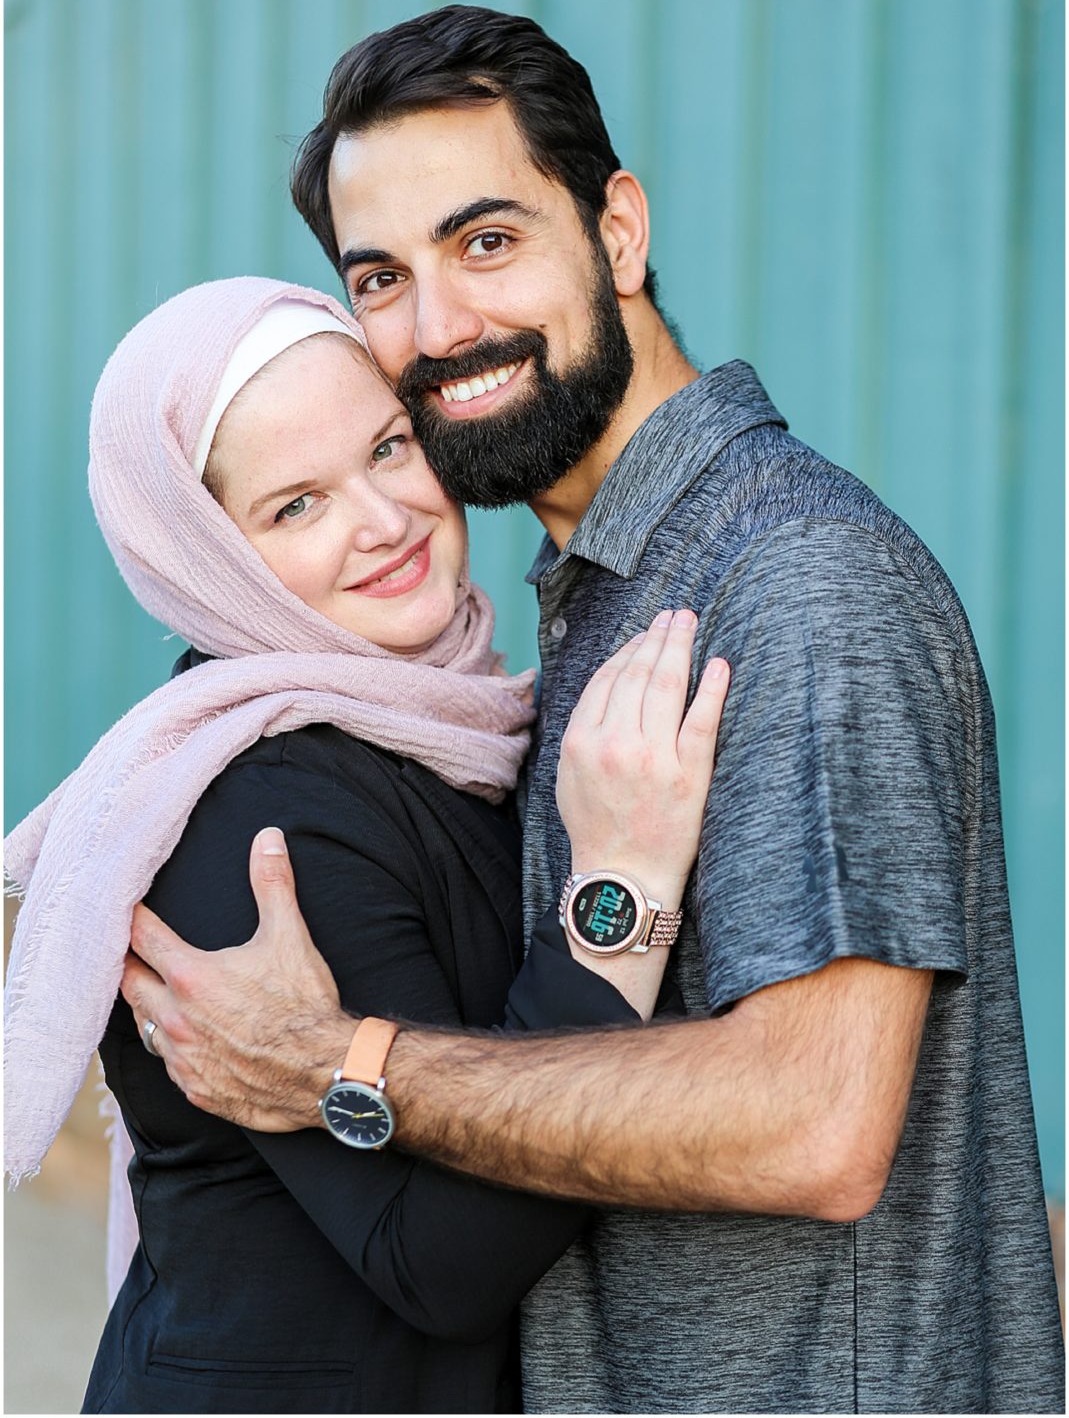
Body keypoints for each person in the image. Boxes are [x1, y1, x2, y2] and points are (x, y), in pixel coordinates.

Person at [122, 8, 1064, 1414]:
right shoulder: (592, 597)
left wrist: (338, 1065)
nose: (441, 327)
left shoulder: (792, 585)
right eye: (383, 276)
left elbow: (814, 1123)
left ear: (616, 233)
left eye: (487, 240)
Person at [3, 276, 729, 1415]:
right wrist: (620, 890)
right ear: (206, 557)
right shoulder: (254, 815)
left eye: (390, 446)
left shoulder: (458, 721)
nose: (384, 520)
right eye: (295, 505)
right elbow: (437, 1257)